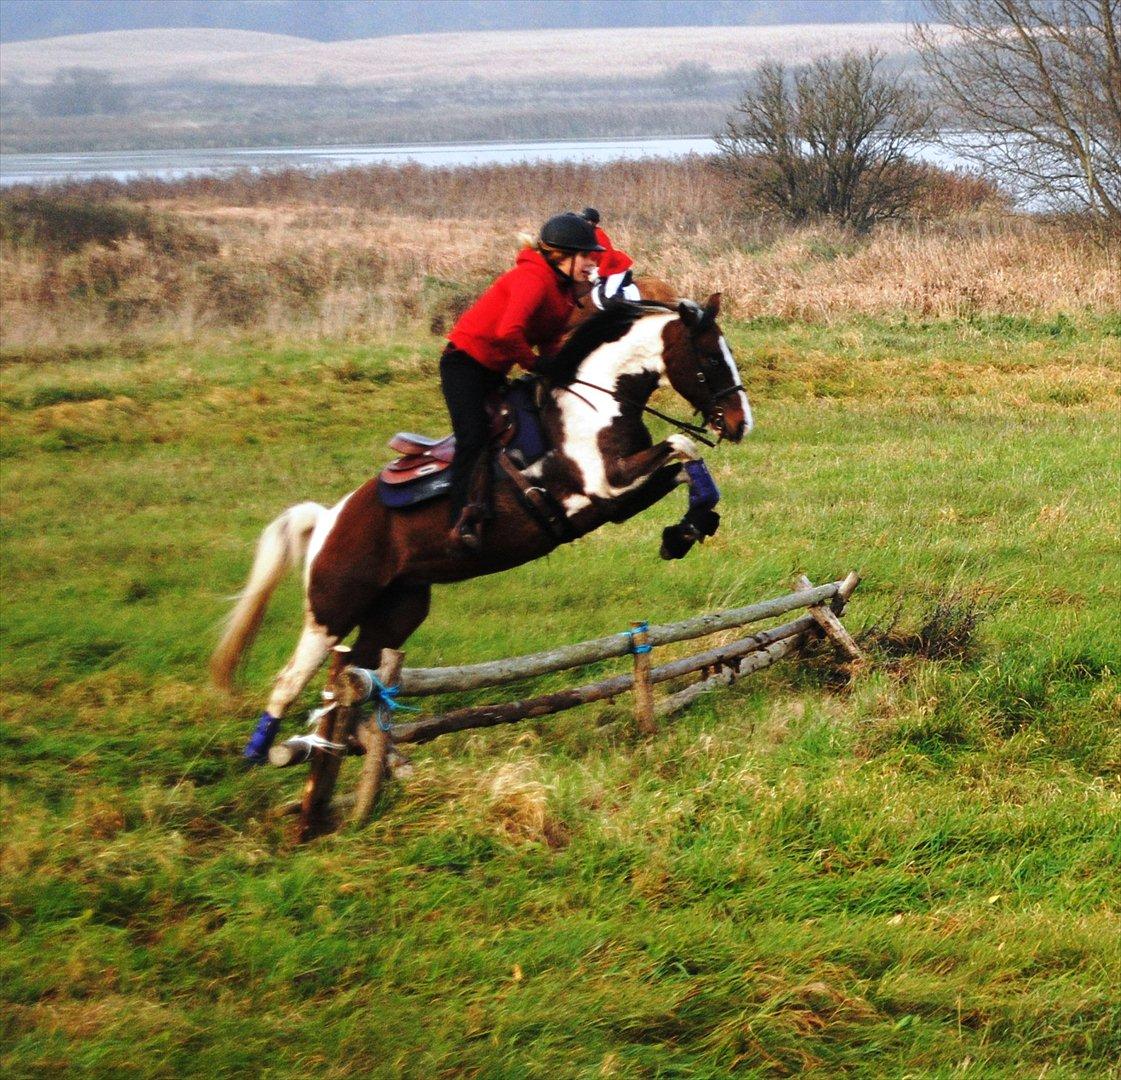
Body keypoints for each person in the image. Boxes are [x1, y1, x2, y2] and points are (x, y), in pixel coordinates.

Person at [441, 212, 604, 552]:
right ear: (562, 256)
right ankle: (459, 522)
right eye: (586, 256)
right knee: (472, 439)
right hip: (464, 365)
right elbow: (509, 332)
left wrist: (565, 370)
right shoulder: (533, 278)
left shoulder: (562, 294)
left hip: (493, 369)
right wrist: (537, 365)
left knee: (524, 423)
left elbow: (549, 340)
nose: (592, 262)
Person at [580, 207, 641, 306]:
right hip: (602, 267)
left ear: (592, 223)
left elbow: (607, 256)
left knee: (609, 294)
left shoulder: (599, 235)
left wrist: (599, 273)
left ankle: (624, 315)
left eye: (585, 221)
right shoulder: (587, 235)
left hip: (616, 267)